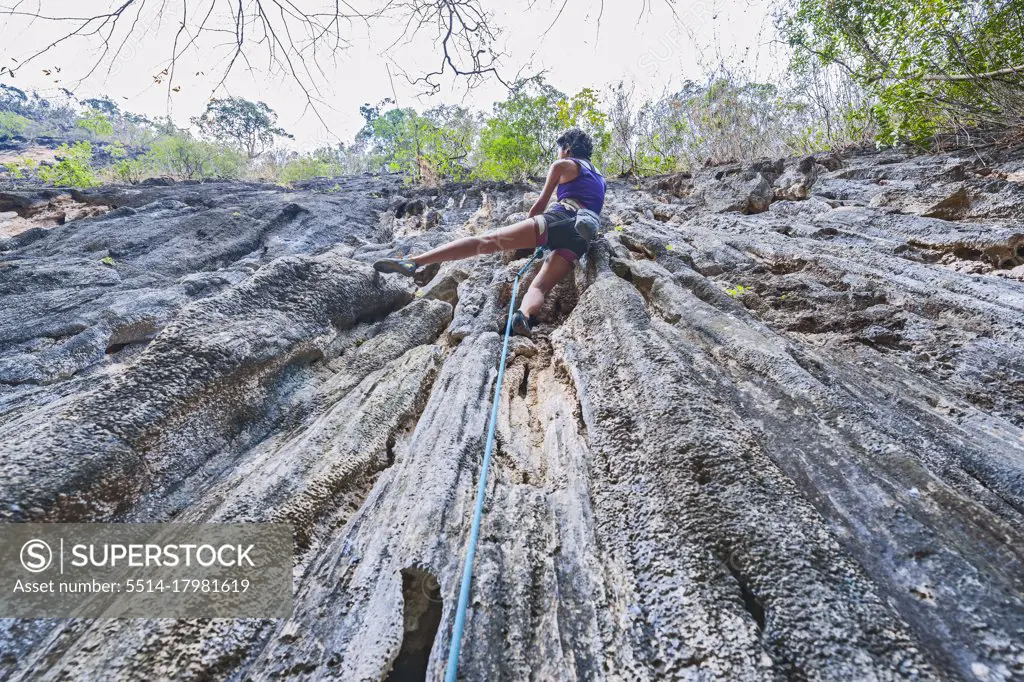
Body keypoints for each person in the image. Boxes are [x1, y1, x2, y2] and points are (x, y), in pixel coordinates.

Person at [373, 127, 607, 337]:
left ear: (566, 149)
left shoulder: (562, 165)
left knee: (485, 240)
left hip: (559, 219)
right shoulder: (601, 180)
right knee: (539, 287)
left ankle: (415, 262)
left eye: (560, 150)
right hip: (581, 239)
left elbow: (539, 206)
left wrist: (529, 235)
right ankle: (523, 315)